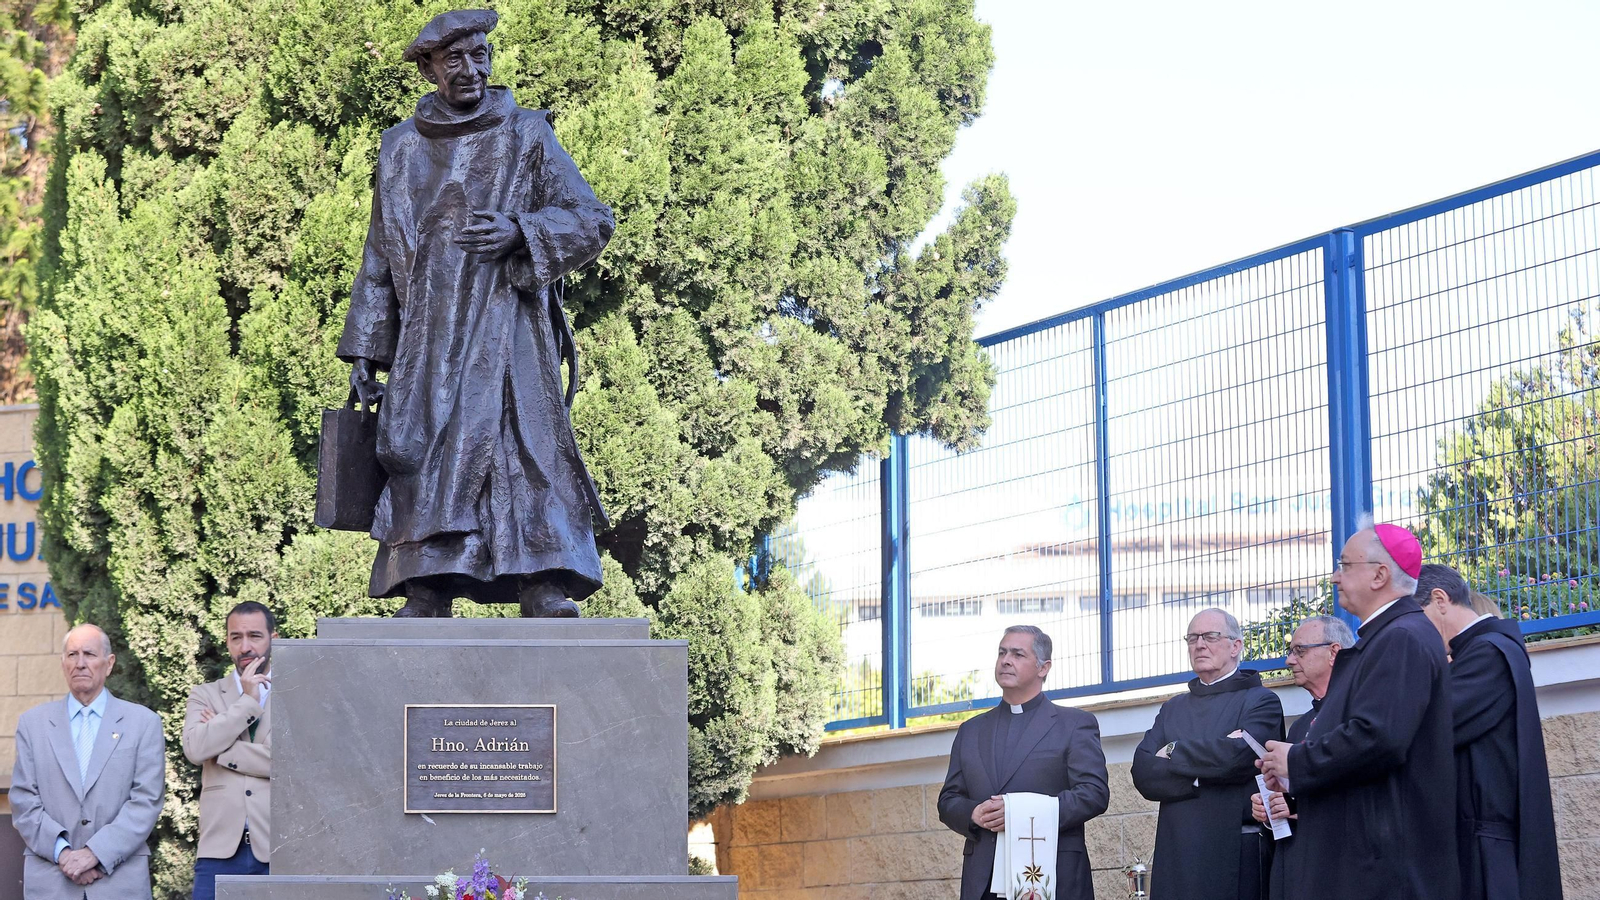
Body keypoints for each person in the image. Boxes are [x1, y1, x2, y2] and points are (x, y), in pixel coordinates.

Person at [339, 8, 615, 619]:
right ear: (430, 69)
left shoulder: (527, 133)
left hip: (509, 326)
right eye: (454, 59)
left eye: (480, 55)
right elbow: (379, 252)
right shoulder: (399, 149)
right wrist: (365, 351)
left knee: (525, 449)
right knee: (424, 451)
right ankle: (426, 585)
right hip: (429, 337)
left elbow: (592, 218)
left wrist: (521, 231)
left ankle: (542, 579)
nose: (470, 69)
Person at [1257, 518, 1458, 900]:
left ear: (1380, 575)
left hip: (1385, 865)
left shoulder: (1401, 637)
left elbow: (1378, 737)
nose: (1336, 577)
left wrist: (1297, 761)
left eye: (1346, 565)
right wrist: (1294, 781)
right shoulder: (1388, 638)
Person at [1415, 563, 1562, 899]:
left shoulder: (1488, 652)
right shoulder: (1482, 651)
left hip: (1485, 853)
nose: (1414, 634)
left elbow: (1429, 728)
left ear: (1440, 600)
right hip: (1478, 844)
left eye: (1416, 618)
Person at [938, 626, 1109, 900]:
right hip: (983, 881)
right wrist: (974, 813)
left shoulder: (1074, 724)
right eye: (1002, 653)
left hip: (1051, 877)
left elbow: (1094, 794)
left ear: (1044, 667)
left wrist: (1019, 814)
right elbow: (948, 800)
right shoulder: (970, 731)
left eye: (1018, 654)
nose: (1006, 660)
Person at [1131, 608, 1283, 900]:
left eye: (1211, 636)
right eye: (1192, 638)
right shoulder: (1173, 708)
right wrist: (1202, 775)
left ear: (1236, 646)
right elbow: (1143, 772)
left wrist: (1174, 750)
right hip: (1176, 851)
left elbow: (1239, 759)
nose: (1199, 645)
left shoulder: (1261, 701)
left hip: (1234, 850)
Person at [9, 623, 165, 899]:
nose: (80, 663)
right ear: (63, 663)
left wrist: (96, 854)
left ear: (109, 663)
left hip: (119, 882)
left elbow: (146, 801)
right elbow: (23, 800)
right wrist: (64, 854)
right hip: (52, 882)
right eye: (72, 655)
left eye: (90, 654)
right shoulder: (33, 724)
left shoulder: (143, 723)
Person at [1250, 615, 1353, 900]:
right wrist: (1270, 809)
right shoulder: (1300, 726)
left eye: (1300, 651)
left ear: (1334, 652)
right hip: (1296, 866)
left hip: (1341, 868)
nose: (1289, 661)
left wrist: (1297, 806)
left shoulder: (1356, 718)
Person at [182, 601, 279, 900]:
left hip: (279, 849)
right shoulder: (205, 694)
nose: (245, 646)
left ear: (274, 638)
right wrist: (247, 702)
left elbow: (291, 763)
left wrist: (222, 751)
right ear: (227, 641)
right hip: (218, 851)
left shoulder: (296, 694)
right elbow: (195, 748)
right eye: (236, 637)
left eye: (254, 636)